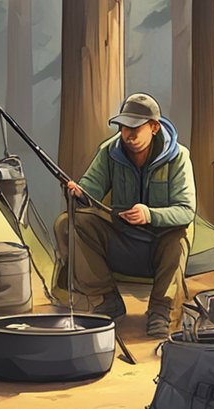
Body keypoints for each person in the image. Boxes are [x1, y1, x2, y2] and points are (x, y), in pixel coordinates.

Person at [55, 93, 196, 338]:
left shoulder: (178, 156)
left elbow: (186, 210)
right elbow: (91, 191)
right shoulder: (109, 152)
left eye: (135, 128)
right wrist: (78, 193)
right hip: (122, 238)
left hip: (161, 243)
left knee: (179, 236)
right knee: (68, 223)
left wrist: (150, 215)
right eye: (123, 127)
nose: (128, 135)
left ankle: (161, 312)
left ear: (154, 127)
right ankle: (107, 299)